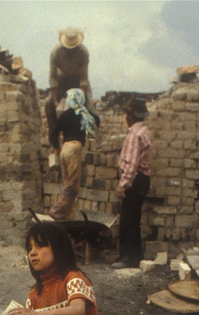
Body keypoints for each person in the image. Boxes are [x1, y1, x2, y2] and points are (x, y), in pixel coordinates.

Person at [112, 98, 153, 268]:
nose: (125, 117)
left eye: (126, 114)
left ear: (130, 116)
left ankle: (129, 258)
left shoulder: (135, 134)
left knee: (127, 220)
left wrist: (123, 185)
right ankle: (134, 256)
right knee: (133, 219)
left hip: (135, 180)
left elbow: (132, 164)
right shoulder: (145, 130)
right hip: (143, 180)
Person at [48, 88, 100, 221]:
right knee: (73, 185)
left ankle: (67, 217)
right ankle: (57, 211)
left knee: (67, 184)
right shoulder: (83, 113)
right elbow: (97, 121)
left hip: (64, 149)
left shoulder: (64, 114)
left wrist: (56, 148)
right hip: (75, 148)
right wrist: (90, 108)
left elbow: (53, 133)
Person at [45, 28, 92, 142]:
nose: (70, 51)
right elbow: (53, 78)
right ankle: (54, 143)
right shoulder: (55, 52)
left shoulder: (83, 52)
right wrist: (56, 102)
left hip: (77, 79)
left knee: (88, 105)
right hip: (62, 80)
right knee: (49, 104)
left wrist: (80, 102)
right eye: (68, 49)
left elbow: (84, 79)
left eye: (73, 49)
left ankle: (86, 140)